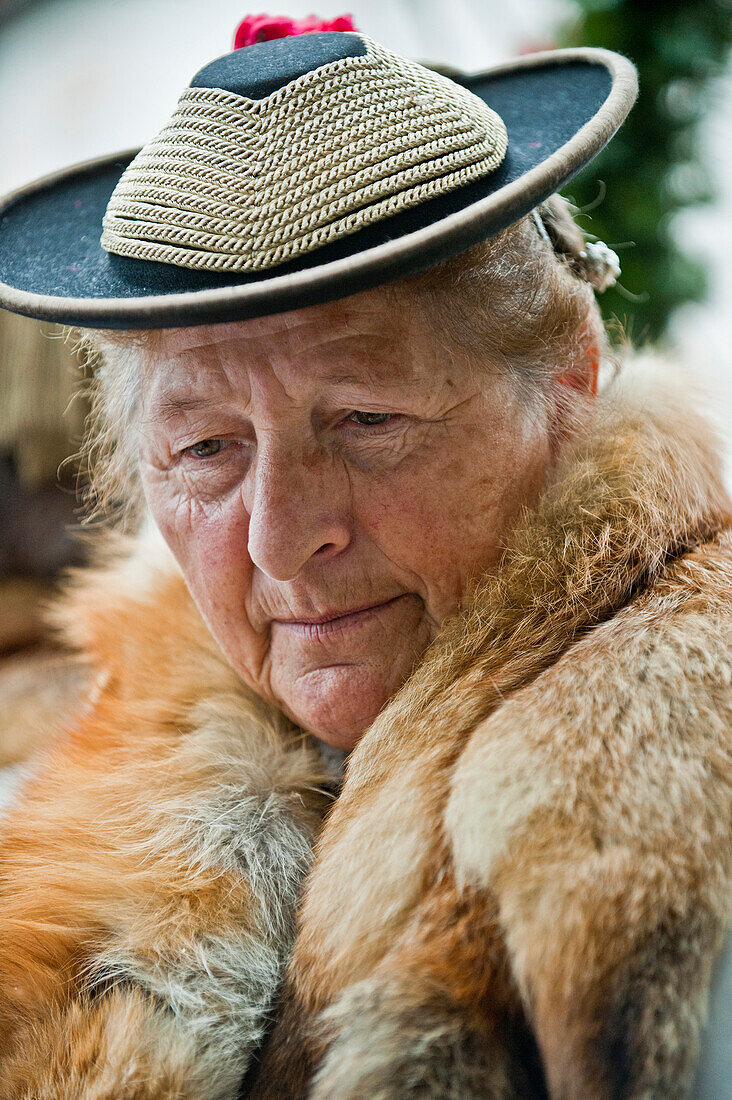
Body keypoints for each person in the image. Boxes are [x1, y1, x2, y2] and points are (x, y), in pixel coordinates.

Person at [0, 19, 729, 1100]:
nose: (279, 538)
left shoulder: (690, 821)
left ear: (569, 381)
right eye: (207, 447)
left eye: (366, 419)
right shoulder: (37, 783)